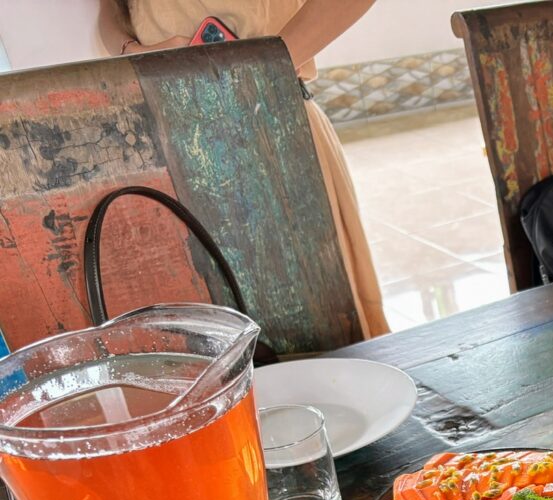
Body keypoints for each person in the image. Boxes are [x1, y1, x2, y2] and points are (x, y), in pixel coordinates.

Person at [103, 0, 390, 338]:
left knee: (314, 328)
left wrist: (259, 66)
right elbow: (112, 13)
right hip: (166, 141)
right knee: (206, 339)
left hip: (272, 125)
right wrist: (133, 50)